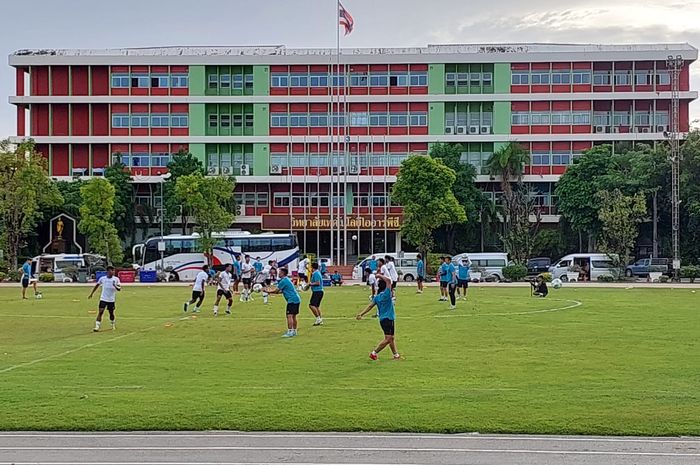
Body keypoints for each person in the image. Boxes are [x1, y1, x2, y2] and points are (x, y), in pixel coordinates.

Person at [356, 272, 400, 361]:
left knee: (391, 337)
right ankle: (374, 353)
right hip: (389, 319)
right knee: (388, 338)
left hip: (382, 320)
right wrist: (379, 275)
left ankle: (396, 355)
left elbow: (370, 306)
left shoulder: (377, 297)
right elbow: (388, 280)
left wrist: (361, 314)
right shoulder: (387, 294)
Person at [266, 267, 301, 337]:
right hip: (296, 299)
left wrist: (267, 291)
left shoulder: (283, 281)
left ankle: (290, 331)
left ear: (283, 273)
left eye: (280, 272)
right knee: (293, 316)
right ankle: (294, 331)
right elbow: (281, 291)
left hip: (292, 300)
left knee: (289, 316)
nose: (278, 273)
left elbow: (277, 290)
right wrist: (270, 292)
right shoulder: (286, 280)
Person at [88, 265, 121, 332]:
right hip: (103, 298)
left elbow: (119, 289)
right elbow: (97, 285)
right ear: (108, 271)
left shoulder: (116, 279)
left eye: (113, 271)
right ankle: (97, 327)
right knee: (101, 312)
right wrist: (92, 293)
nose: (113, 272)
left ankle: (112, 324)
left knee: (111, 313)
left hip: (111, 299)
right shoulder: (102, 279)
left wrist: (115, 285)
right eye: (112, 271)